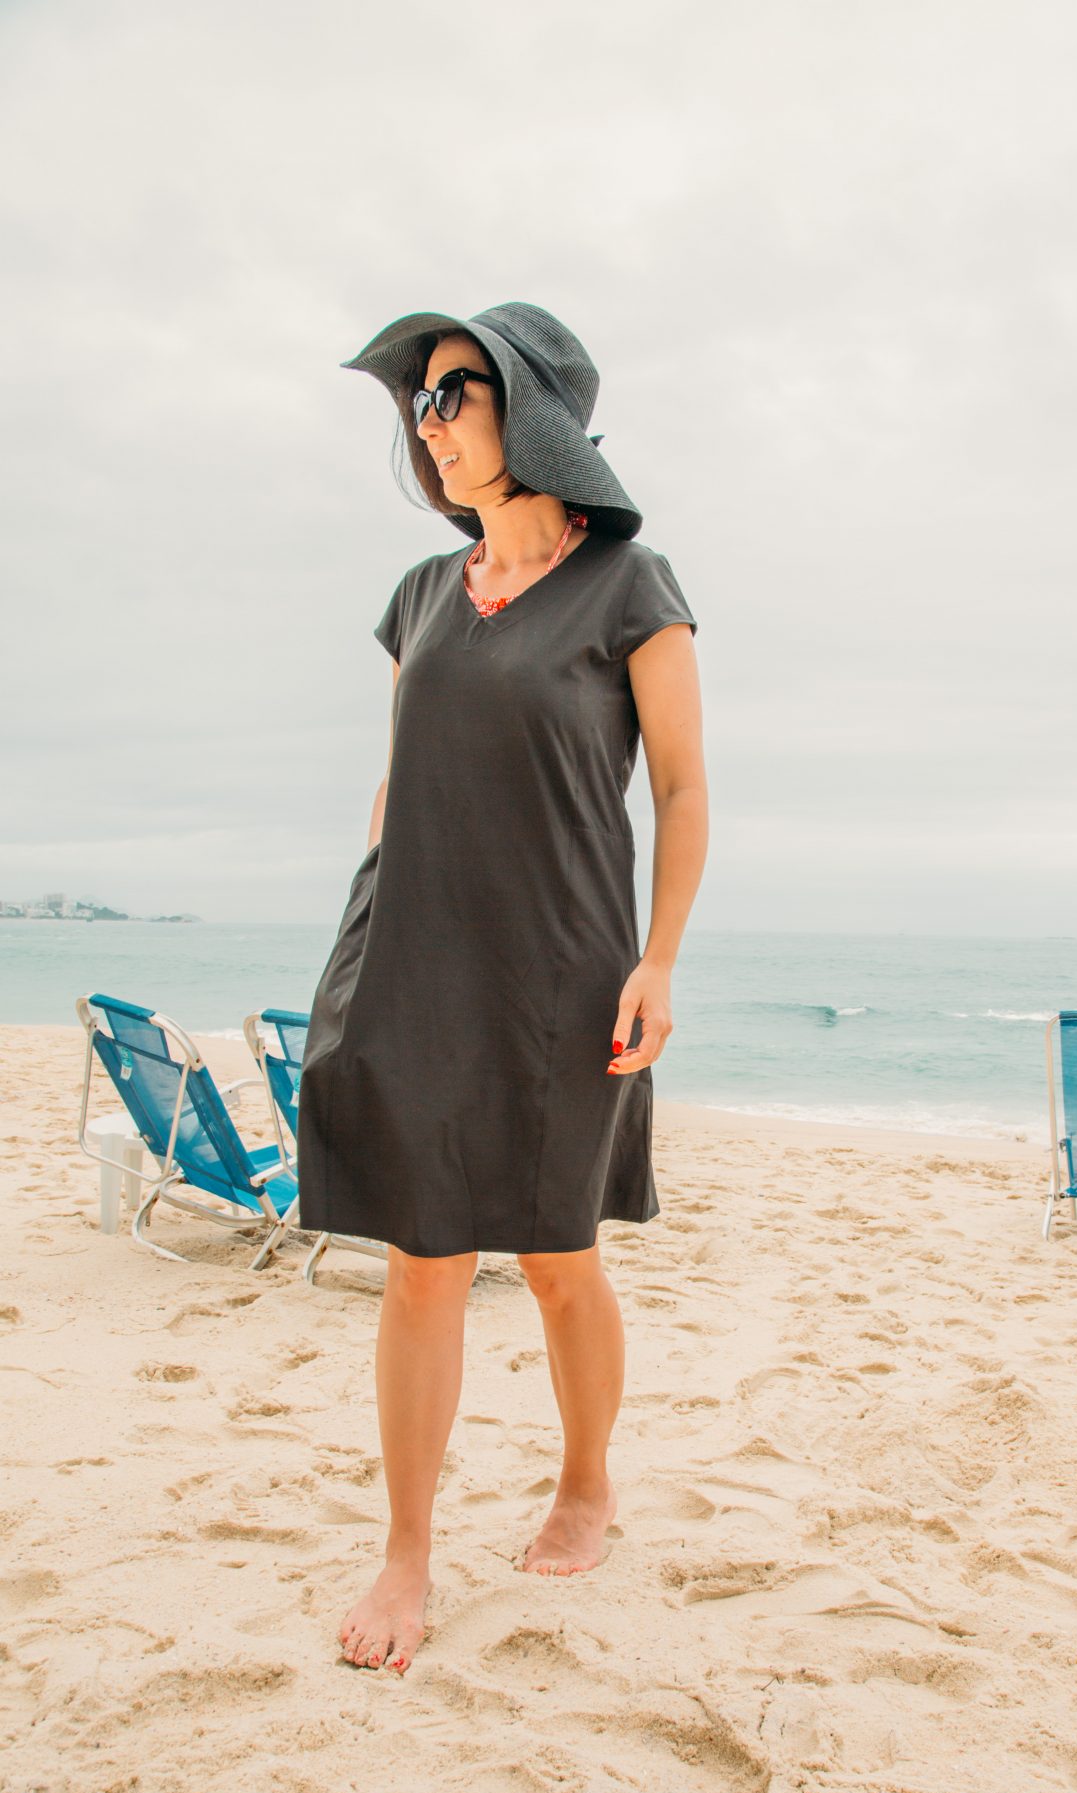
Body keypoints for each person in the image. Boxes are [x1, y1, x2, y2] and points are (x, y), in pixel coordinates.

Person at [295, 301, 707, 1675]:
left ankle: (585, 1479)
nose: (431, 418)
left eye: (456, 390)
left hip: (564, 961)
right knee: (422, 1263)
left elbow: (682, 785)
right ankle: (406, 1552)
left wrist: (658, 957)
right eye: (417, 400)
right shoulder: (422, 593)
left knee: (552, 1256)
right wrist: (362, 930)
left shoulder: (628, 588)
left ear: (531, 411)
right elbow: (397, 775)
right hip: (414, 945)